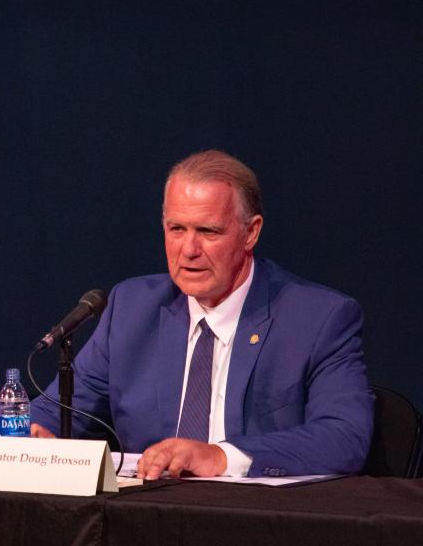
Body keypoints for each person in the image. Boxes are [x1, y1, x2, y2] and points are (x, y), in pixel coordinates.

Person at [29, 150, 373, 478]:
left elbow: (344, 438)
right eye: (177, 229)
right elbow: (51, 416)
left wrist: (220, 456)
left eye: (208, 232)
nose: (189, 250)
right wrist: (29, 439)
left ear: (251, 232)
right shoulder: (131, 309)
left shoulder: (318, 318)